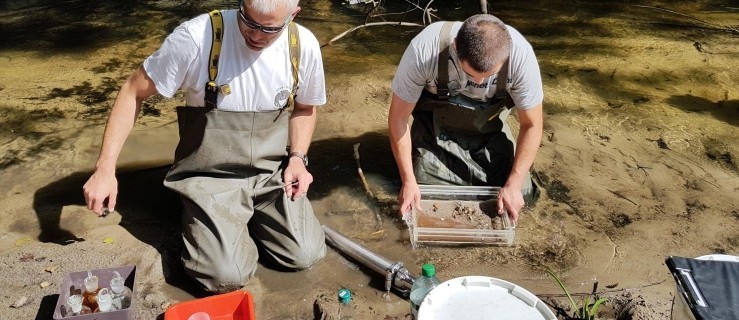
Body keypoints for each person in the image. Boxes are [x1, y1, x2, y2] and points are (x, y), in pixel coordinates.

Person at [82, 0, 327, 293]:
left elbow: (304, 109)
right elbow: (133, 91)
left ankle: (237, 226)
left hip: (271, 173)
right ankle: (211, 224)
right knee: (225, 276)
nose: (256, 35)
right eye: (249, 22)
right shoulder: (197, 38)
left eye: (269, 29)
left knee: (305, 255)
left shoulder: (303, 45)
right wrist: (105, 168)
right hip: (209, 178)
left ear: (293, 15)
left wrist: (298, 158)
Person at [388, 14, 543, 222]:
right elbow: (398, 119)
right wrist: (408, 181)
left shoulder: (521, 57)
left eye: (488, 76)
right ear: (454, 46)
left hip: (489, 129)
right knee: (423, 190)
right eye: (469, 73)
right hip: (435, 129)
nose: (478, 81)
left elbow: (532, 125)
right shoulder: (424, 50)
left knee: (522, 192)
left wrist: (513, 184)